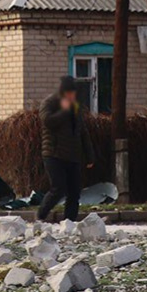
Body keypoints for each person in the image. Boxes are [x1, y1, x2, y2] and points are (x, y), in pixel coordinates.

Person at [37, 76, 95, 223]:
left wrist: (90, 155)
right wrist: (64, 110)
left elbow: (82, 131)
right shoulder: (50, 103)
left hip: (73, 155)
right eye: (69, 92)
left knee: (74, 192)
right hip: (53, 153)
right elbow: (48, 121)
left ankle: (69, 221)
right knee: (58, 188)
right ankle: (40, 216)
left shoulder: (75, 106)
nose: (72, 96)